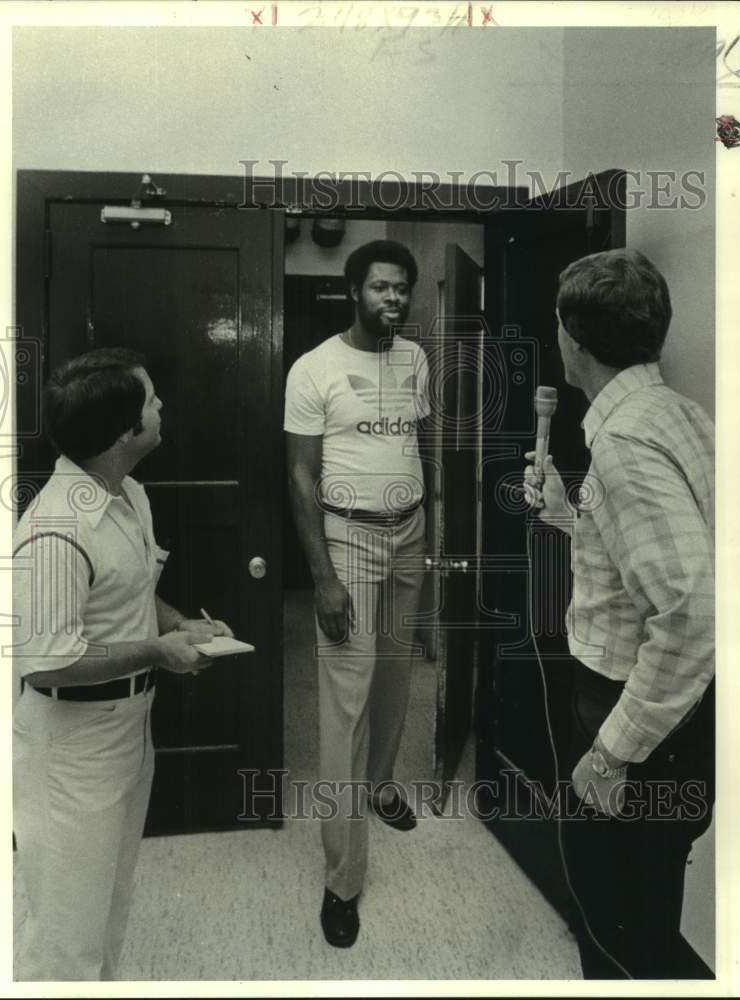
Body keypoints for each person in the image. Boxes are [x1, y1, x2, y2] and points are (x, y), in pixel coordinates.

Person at [523, 249, 715, 979]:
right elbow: (677, 552)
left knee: (614, 936)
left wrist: (611, 751)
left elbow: (693, 611)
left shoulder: (624, 442)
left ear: (574, 340)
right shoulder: (673, 413)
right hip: (682, 715)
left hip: (638, 720)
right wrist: (577, 521)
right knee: (648, 914)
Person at [12, 347, 232, 981]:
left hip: (128, 734)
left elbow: (129, 595)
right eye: (152, 401)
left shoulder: (127, 494)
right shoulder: (56, 529)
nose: (163, 407)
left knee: (107, 916)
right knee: (64, 943)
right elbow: (48, 663)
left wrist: (180, 625)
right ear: (122, 433)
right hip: (71, 756)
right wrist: (157, 652)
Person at [284, 240, 430, 947]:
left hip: (411, 532)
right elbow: (301, 478)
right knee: (346, 700)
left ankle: (381, 785)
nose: (393, 299)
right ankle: (342, 880)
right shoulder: (314, 369)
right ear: (354, 292)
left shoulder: (415, 360)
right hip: (349, 540)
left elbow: (415, 444)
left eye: (401, 288)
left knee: (397, 679)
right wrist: (322, 576)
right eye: (380, 288)